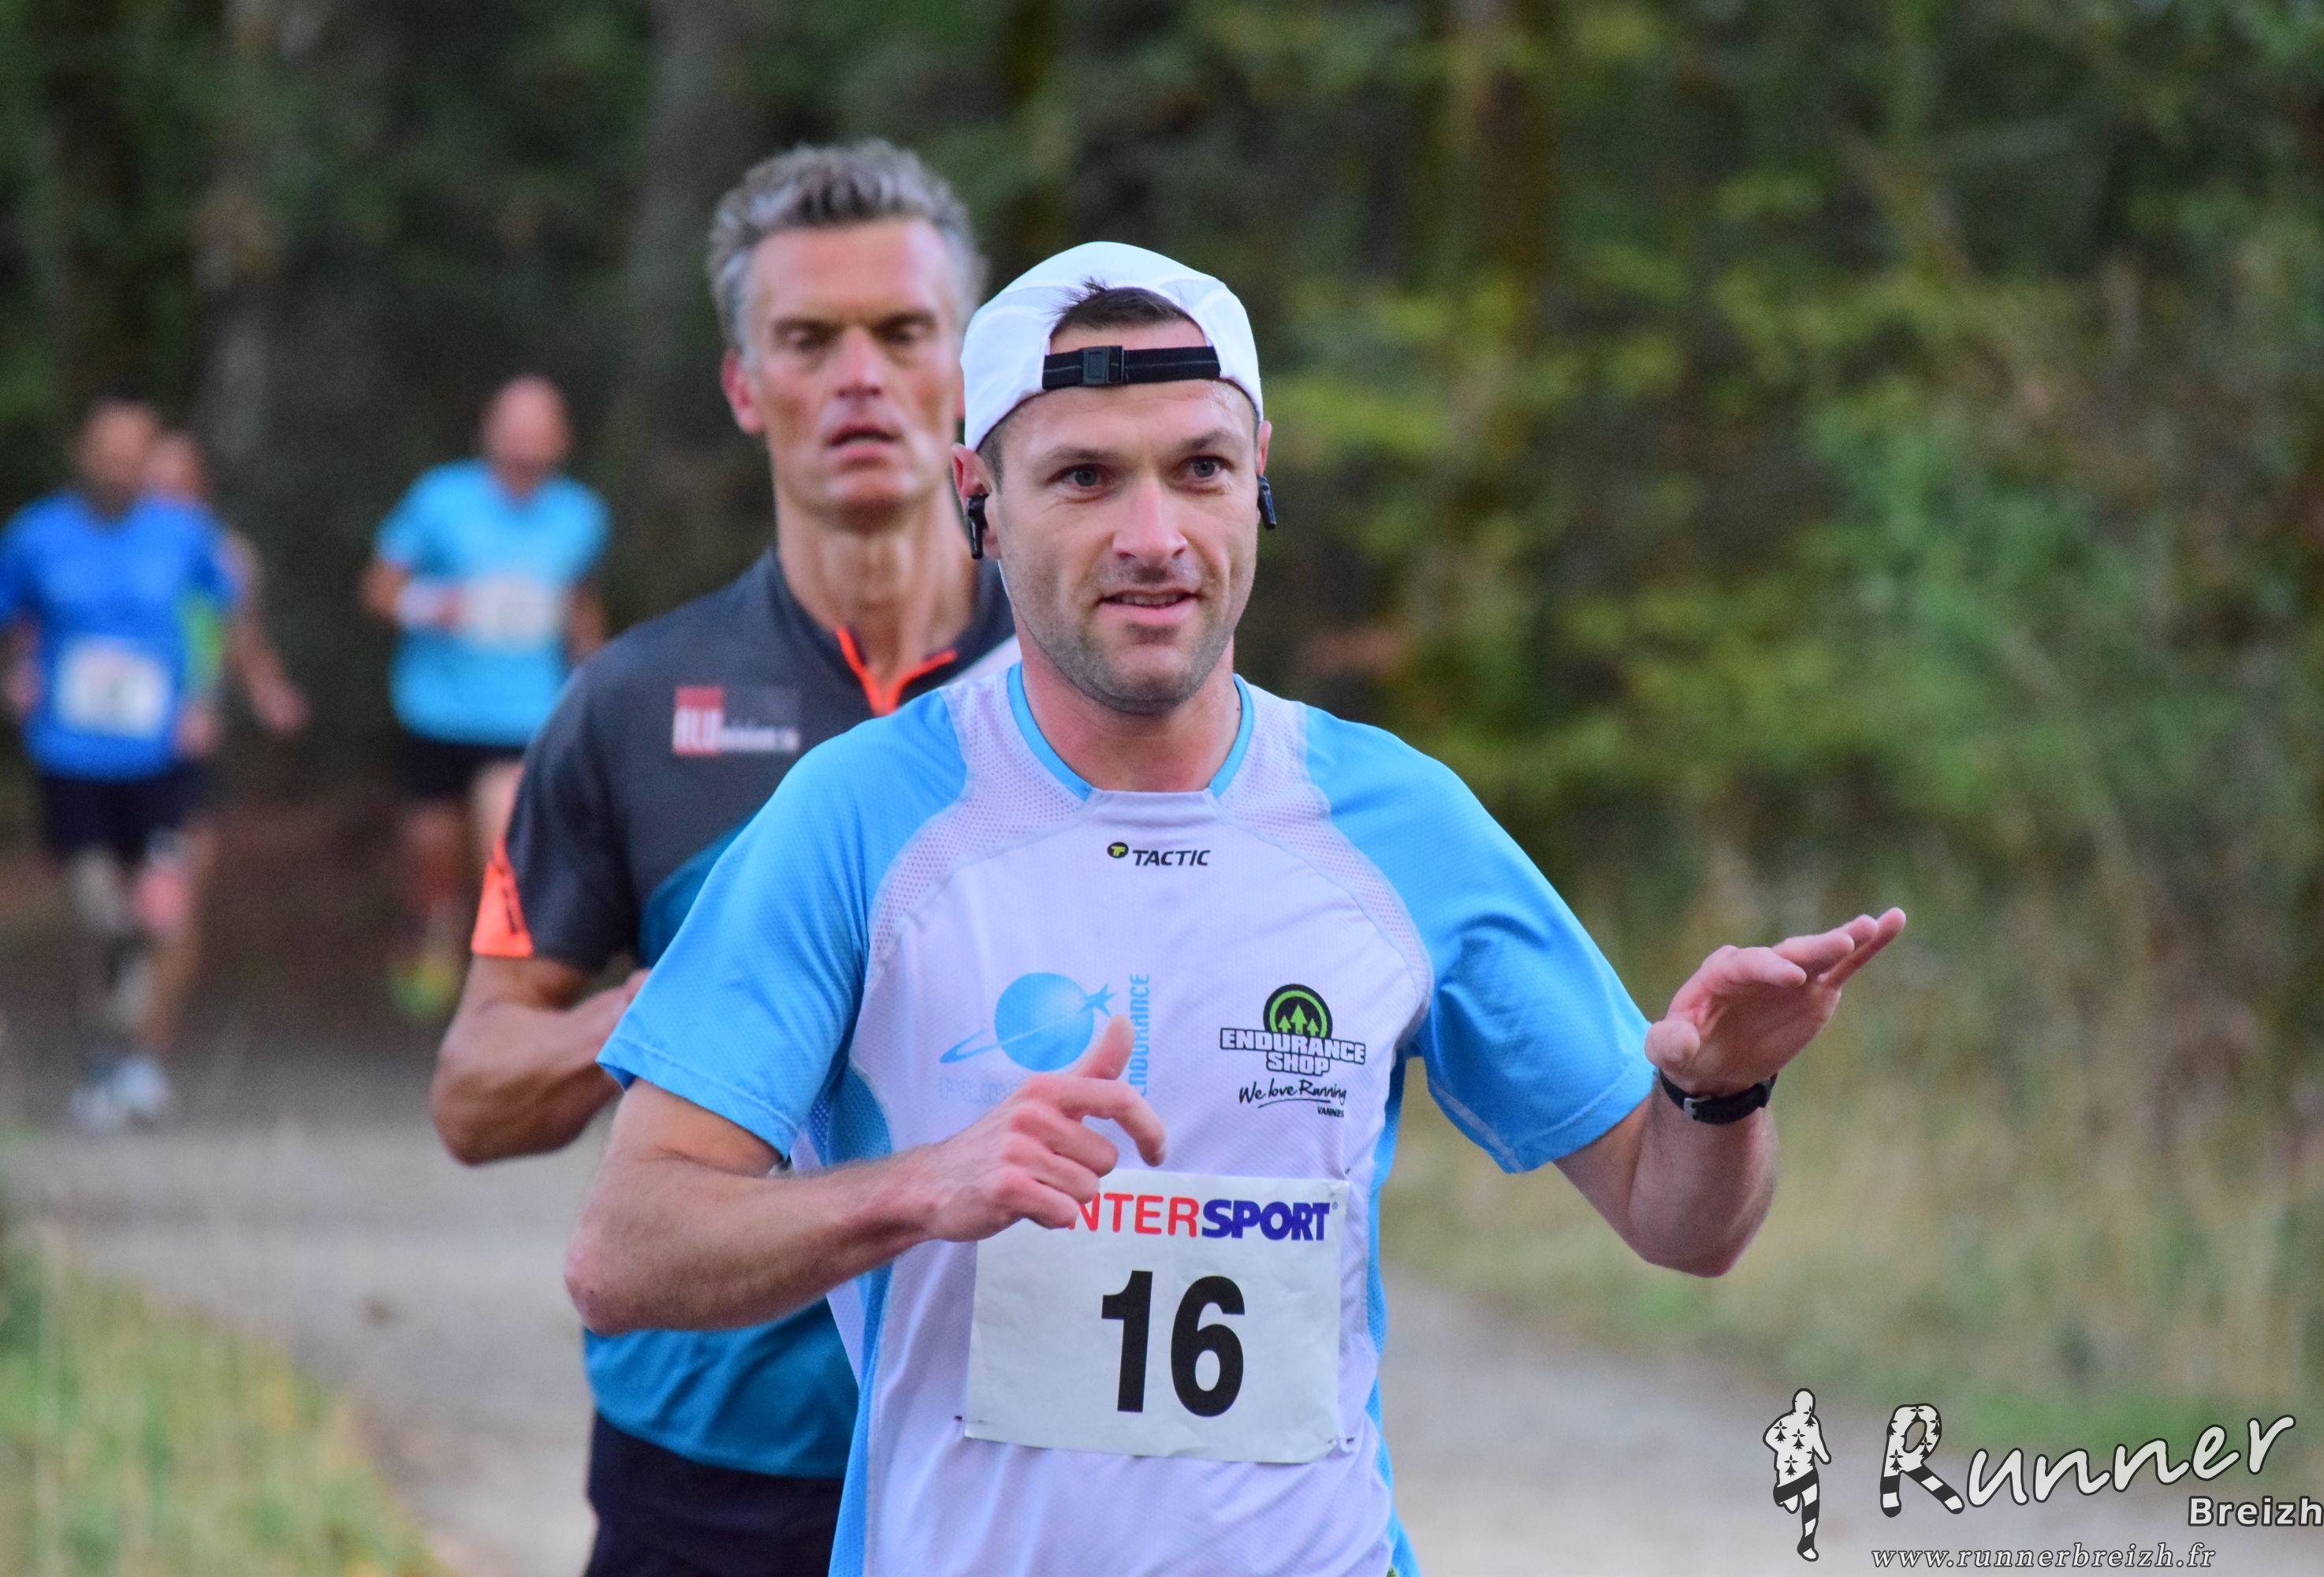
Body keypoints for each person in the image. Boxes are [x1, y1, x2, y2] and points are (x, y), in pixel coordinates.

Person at [563, 240, 1908, 1576]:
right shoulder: (857, 819)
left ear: (1259, 472)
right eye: (1084, 477)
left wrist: (1718, 1096)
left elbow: (1684, 1223)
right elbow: (624, 1254)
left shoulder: (1402, 823)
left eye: (1200, 469)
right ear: (980, 499)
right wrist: (926, 1186)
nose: (1153, 539)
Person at [431, 143, 1012, 1577]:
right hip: (718, 1454)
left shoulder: (1087, 690)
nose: (860, 377)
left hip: (1015, 1437)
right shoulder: (630, 704)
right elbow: (476, 1095)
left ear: (969, 369)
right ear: (747, 386)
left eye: (903, 332)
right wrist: (682, 1011)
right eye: (809, 340)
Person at [0, 397, 242, 1132]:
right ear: (83, 454)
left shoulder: (184, 534)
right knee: (100, 909)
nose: (119, 467)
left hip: (159, 755)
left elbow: (223, 615)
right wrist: (17, 673)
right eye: (107, 452)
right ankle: (110, 1052)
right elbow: (13, 620)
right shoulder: (36, 535)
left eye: (133, 455)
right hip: (71, 753)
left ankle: (127, 1057)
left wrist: (205, 698)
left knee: (161, 910)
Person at [362, 376, 609, 1021]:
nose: (525, 444)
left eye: (539, 431)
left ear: (561, 441)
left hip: (525, 715)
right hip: (436, 712)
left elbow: (578, 605)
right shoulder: (439, 499)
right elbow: (379, 590)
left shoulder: (580, 516)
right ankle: (431, 925)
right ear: (488, 432)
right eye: (514, 428)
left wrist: (597, 679)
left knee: (505, 848)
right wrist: (432, 605)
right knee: (431, 856)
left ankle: (500, 990)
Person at [140, 430, 309, 1062]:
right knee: (119, 908)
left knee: (177, 902)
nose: (168, 501)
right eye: (155, 488)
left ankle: (144, 1055)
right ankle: (117, 1034)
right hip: (103, 757)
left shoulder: (224, 555)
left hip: (189, 752)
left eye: (180, 488)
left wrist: (268, 690)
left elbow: (242, 637)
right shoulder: (97, 548)